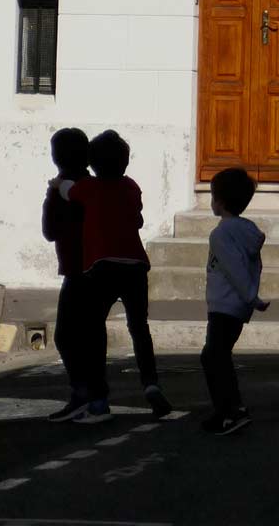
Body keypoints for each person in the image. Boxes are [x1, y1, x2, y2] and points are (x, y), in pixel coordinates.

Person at [65, 129, 170, 423]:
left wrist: (59, 182)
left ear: (93, 163)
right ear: (125, 162)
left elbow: (68, 192)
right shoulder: (131, 187)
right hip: (135, 264)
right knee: (139, 326)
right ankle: (150, 383)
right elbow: (137, 217)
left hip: (101, 265)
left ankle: (99, 399)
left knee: (94, 329)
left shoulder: (87, 188)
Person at [200, 166, 270, 436]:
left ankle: (230, 411)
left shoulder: (221, 234)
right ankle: (227, 410)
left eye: (213, 196)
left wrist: (252, 297)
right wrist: (251, 296)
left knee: (213, 357)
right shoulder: (247, 231)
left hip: (224, 304)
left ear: (220, 201)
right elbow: (252, 267)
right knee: (218, 356)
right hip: (236, 305)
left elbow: (233, 268)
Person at [39, 127, 91, 422]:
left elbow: (49, 231)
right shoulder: (91, 185)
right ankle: (94, 394)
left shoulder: (62, 191)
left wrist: (51, 193)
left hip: (75, 268)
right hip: (96, 266)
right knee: (89, 335)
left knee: (66, 336)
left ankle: (82, 392)